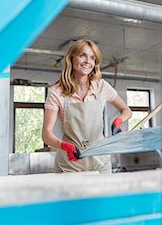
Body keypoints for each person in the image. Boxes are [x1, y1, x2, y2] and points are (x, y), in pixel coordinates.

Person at [42, 39, 132, 174]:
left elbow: (126, 110)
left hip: (100, 161)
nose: (87, 61)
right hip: (70, 164)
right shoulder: (57, 92)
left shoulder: (101, 86)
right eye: (82, 55)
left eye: (92, 58)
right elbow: (46, 134)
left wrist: (117, 122)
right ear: (71, 58)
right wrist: (64, 146)